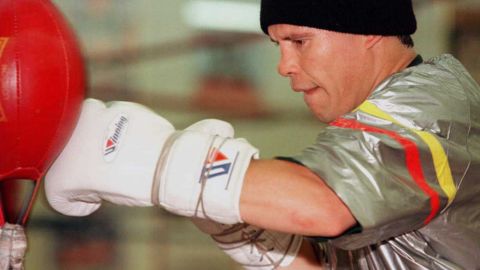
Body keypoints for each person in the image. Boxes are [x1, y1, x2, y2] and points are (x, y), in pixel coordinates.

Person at [44, 0, 480, 269]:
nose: (283, 65)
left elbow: (321, 206)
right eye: (278, 45)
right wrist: (255, 238)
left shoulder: (433, 109)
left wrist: (160, 161)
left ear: (367, 31)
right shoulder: (385, 131)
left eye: (299, 41)